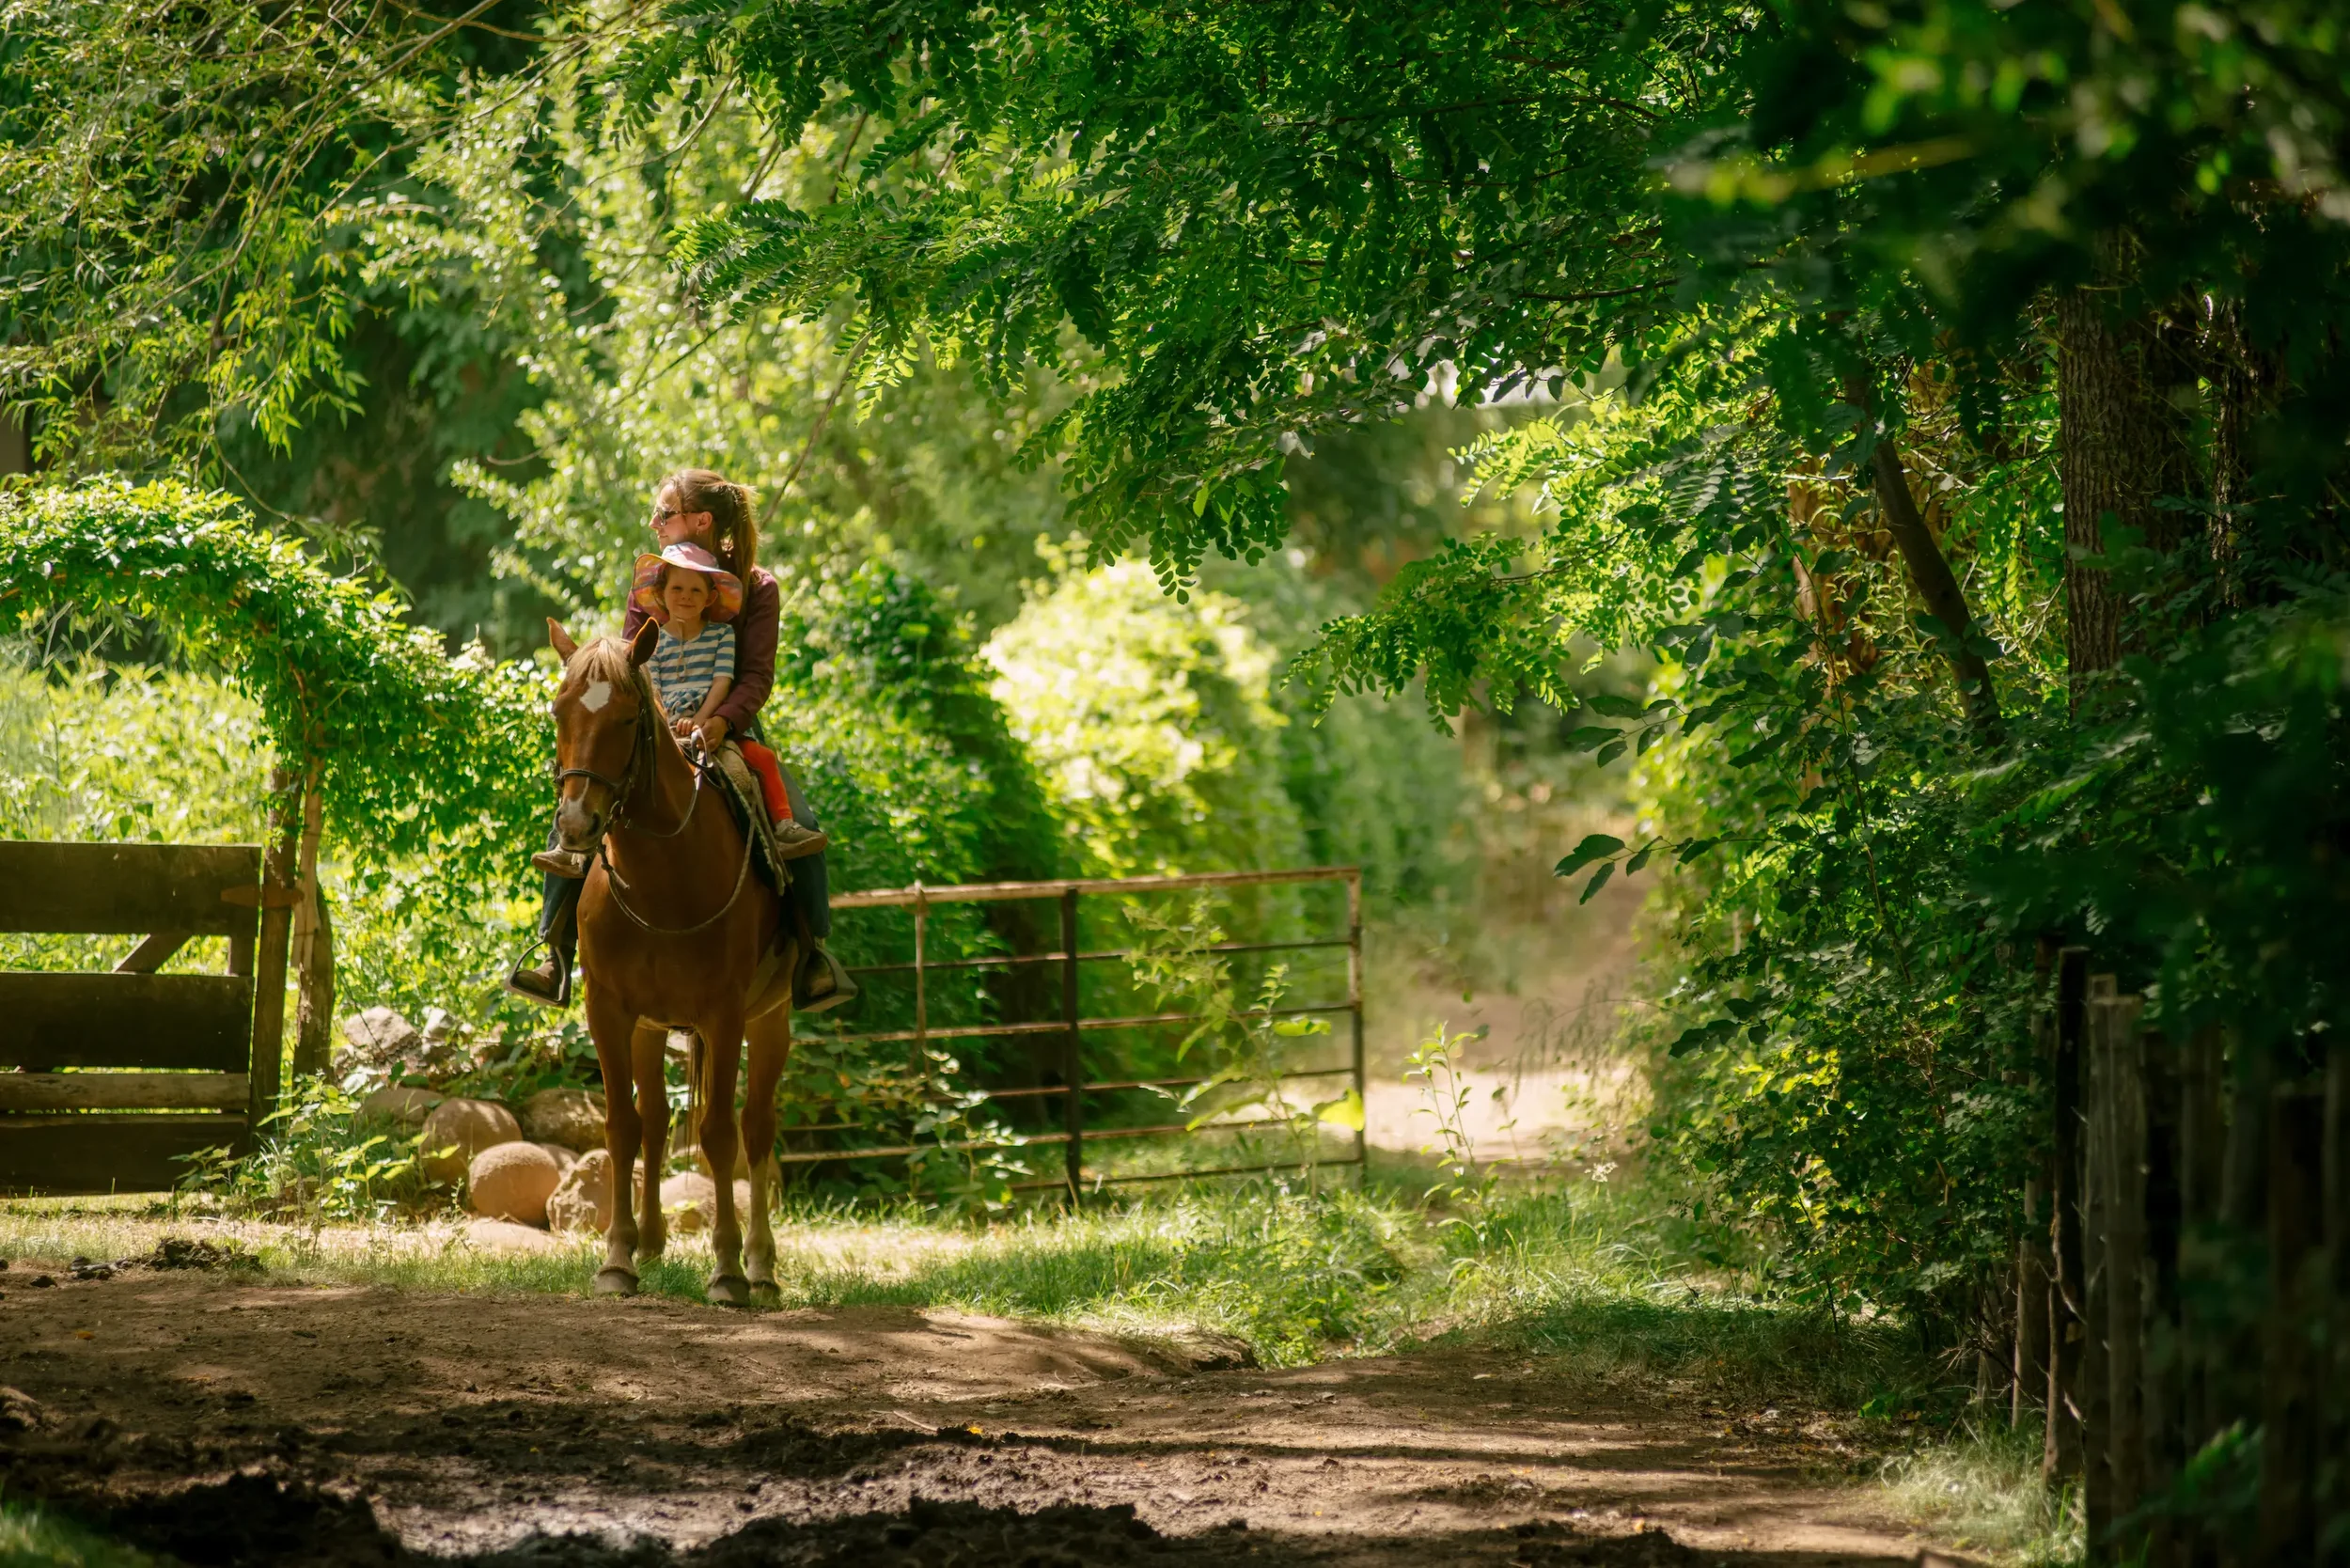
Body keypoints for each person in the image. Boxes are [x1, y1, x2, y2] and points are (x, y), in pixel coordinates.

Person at [507, 470, 855, 1011]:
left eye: (663, 513)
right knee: (578, 808)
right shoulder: (650, 585)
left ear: (701, 521)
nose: (655, 523)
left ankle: (813, 955)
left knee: (802, 827)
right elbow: (631, 662)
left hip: (729, 729)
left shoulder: (759, 588)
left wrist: (722, 723)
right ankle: (555, 952)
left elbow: (756, 677)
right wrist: (652, 718)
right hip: (655, 727)